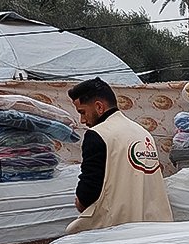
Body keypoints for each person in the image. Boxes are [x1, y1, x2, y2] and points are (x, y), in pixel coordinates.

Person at [66, 77, 173, 234]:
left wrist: (80, 202)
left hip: (117, 231)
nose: (82, 120)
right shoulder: (142, 133)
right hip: (155, 229)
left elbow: (89, 190)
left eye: (82, 112)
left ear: (99, 107)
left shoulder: (99, 134)